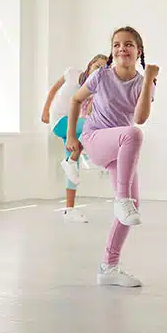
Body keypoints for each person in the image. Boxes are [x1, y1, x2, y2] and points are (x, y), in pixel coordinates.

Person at [66, 26, 158, 287]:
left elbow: (141, 116)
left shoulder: (143, 83)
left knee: (133, 207)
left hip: (120, 146)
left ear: (138, 51)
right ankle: (121, 199)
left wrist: (149, 77)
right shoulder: (101, 76)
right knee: (134, 134)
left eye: (128, 44)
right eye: (116, 44)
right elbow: (75, 100)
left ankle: (109, 267)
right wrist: (72, 136)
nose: (121, 49)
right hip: (95, 139)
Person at [41, 54, 108, 222]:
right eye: (97, 66)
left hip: (74, 125)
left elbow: (90, 112)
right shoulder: (71, 73)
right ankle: (82, 159)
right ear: (90, 65)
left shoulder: (95, 89)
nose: (100, 71)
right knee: (97, 125)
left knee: (73, 165)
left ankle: (69, 210)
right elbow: (53, 90)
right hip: (60, 121)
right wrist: (45, 110)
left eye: (104, 70)